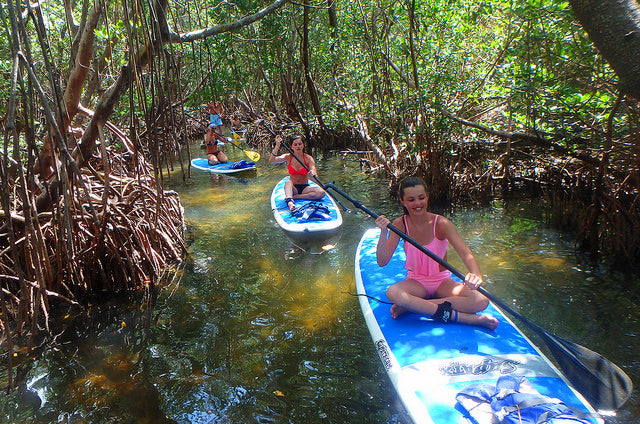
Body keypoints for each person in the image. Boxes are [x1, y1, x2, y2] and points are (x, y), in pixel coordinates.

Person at [374, 177, 498, 330]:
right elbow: (382, 261)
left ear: (427, 197)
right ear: (403, 202)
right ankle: (464, 318)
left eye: (421, 198)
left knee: (481, 300)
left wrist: (476, 275)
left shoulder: (441, 224)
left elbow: (466, 254)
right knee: (393, 293)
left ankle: (412, 305)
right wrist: (383, 231)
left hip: (442, 282)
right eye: (411, 200)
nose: (418, 203)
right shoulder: (400, 224)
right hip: (416, 283)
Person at [269, 134, 325, 211]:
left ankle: (296, 197)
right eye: (295, 144)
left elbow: (315, 177)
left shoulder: (308, 158)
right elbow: (272, 160)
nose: (298, 146)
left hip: (305, 188)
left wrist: (313, 174)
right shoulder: (288, 157)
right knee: (288, 182)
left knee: (321, 193)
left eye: (300, 144)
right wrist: (277, 145)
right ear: (292, 147)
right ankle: (290, 202)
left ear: (303, 145)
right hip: (293, 188)